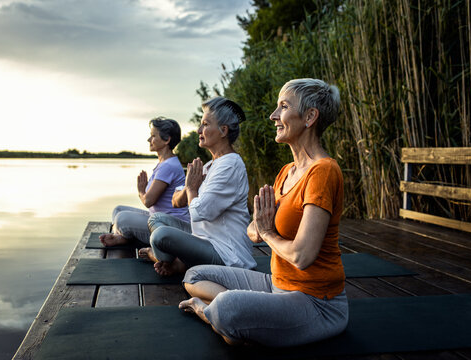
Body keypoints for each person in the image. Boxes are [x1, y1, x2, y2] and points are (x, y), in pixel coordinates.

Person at [178, 79, 348, 347]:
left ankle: (212, 313)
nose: (273, 116)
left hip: (316, 302)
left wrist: (266, 232)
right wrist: (259, 227)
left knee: (227, 308)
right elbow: (253, 229)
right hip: (277, 284)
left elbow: (302, 256)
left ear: (310, 117)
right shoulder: (286, 172)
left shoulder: (323, 171)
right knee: (195, 275)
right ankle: (241, 323)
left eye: (283, 107)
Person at [139, 97, 256, 276]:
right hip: (201, 239)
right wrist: (189, 187)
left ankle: (171, 262)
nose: (199, 130)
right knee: (157, 220)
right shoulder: (210, 165)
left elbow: (200, 213)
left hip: (226, 253)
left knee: (160, 236)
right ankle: (177, 263)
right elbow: (175, 201)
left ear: (223, 130)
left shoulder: (230, 165)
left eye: (205, 124)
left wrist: (192, 190)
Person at [99, 117, 189, 247]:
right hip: (157, 218)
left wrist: (141, 191)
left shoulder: (168, 166)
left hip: (169, 226)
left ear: (167, 140)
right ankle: (123, 238)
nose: (149, 140)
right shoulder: (165, 163)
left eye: (153, 136)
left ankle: (123, 238)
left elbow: (148, 201)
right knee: (118, 210)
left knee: (121, 219)